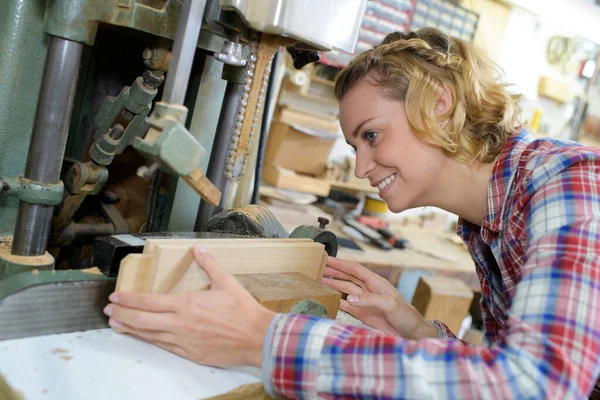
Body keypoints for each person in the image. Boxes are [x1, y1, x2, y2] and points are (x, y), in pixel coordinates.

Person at [102, 28, 600, 398]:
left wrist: (262, 338)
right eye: (354, 145)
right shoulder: (485, 225)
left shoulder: (567, 184)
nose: (361, 167)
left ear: (440, 104)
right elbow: (506, 370)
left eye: (372, 135)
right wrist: (415, 328)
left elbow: (536, 386)